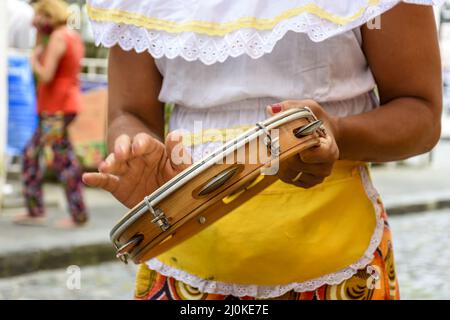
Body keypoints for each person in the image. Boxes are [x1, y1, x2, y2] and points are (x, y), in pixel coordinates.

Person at [83, 0, 442, 300]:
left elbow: (420, 112)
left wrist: (337, 133)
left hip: (338, 264)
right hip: (183, 265)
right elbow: (128, 113)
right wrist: (135, 152)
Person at [14, 0, 88, 228]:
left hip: (56, 109)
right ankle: (42, 210)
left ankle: (74, 215)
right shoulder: (71, 35)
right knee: (40, 156)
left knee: (58, 160)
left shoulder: (57, 37)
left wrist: (33, 59)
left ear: (49, 15)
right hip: (62, 106)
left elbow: (45, 74)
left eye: (40, 18)